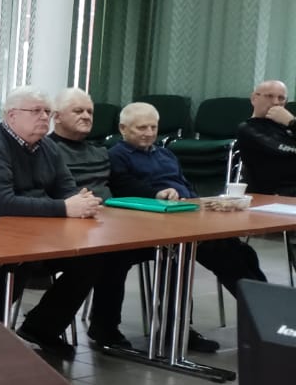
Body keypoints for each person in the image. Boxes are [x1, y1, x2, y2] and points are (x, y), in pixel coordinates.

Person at [0, 88, 104, 360]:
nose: (44, 117)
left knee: (91, 257)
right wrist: (64, 208)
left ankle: (41, 329)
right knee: (22, 260)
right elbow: (5, 203)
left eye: (47, 111)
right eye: (36, 111)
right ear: (12, 116)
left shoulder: (47, 147)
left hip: (36, 231)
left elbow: (66, 189)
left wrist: (81, 202)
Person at [110, 101, 266, 345]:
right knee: (181, 255)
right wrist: (157, 194)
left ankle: (267, 317)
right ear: (123, 128)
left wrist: (202, 203)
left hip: (188, 217)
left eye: (153, 127)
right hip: (151, 225)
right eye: (141, 127)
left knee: (237, 250)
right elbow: (123, 186)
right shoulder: (117, 155)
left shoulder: (165, 153)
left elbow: (184, 184)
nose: (149, 133)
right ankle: (177, 329)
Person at [45, 88, 153, 351]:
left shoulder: (100, 152)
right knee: (108, 254)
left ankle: (177, 329)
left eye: (90, 112)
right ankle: (92, 327)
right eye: (78, 111)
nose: (86, 116)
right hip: (65, 226)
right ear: (57, 116)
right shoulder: (46, 150)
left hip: (107, 224)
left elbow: (118, 187)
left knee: (169, 250)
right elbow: (44, 191)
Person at [236, 79, 296, 195]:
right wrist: (292, 123)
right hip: (274, 194)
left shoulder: (288, 126)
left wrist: (292, 122)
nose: (276, 102)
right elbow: (284, 150)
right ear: (254, 99)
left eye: (281, 98)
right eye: (269, 96)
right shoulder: (247, 129)